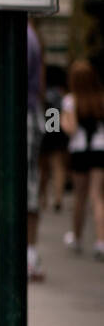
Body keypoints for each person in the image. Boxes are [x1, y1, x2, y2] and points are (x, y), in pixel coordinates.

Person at [0, 20, 43, 280]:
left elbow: (12, 83)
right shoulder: (11, 32)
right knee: (10, 187)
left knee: (22, 187)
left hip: (15, 121)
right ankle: (16, 255)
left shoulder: (21, 35)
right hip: (7, 121)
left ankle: (25, 256)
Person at [61, 59, 104, 258]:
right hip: (99, 150)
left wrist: (62, 118)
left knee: (80, 197)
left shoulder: (70, 100)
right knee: (98, 196)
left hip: (80, 151)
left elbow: (69, 129)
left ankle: (77, 237)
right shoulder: (101, 98)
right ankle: (100, 241)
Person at [41, 64, 69, 213]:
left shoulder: (44, 93)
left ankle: (43, 197)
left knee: (43, 168)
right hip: (57, 131)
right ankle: (58, 197)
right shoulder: (60, 94)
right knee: (58, 165)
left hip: (45, 131)